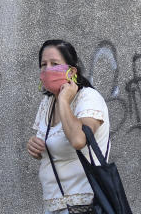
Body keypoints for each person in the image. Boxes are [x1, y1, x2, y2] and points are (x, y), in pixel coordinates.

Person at [26, 39, 110, 214]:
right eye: (43, 65)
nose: (47, 69)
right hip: (54, 205)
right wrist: (35, 147)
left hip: (85, 206)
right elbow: (53, 149)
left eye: (54, 64)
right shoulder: (47, 103)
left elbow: (79, 140)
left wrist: (64, 100)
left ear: (71, 71)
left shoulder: (88, 98)